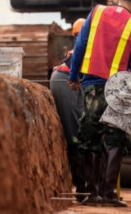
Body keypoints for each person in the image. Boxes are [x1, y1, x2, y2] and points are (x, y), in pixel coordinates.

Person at [67, 0, 131, 207]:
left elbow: (80, 46)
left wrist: (74, 76)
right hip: (120, 88)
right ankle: (109, 194)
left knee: (89, 136)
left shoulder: (97, 12)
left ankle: (89, 193)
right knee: (115, 139)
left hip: (92, 84)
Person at [50, 18, 85, 199]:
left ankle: (84, 186)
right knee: (75, 134)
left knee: (78, 131)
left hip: (67, 80)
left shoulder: (86, 46)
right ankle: (82, 188)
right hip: (65, 81)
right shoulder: (84, 48)